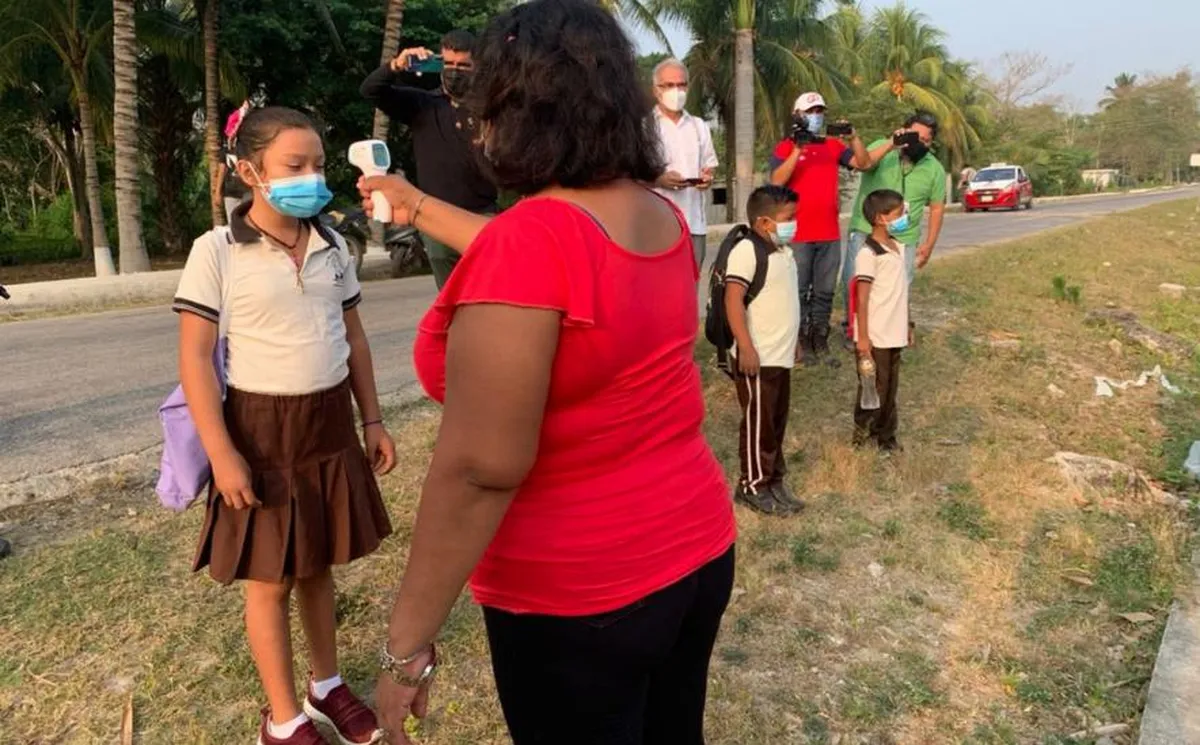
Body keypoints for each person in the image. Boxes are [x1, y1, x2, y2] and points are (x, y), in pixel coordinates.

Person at [356, 2, 737, 742]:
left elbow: (478, 469)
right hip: (693, 548)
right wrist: (421, 205)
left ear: (512, 108)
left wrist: (406, 648)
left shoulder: (532, 244)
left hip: (583, 595)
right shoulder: (652, 212)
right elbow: (544, 255)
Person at [174, 106, 397, 745]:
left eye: (319, 165)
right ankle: (283, 719)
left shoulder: (331, 245)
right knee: (270, 578)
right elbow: (194, 357)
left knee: (319, 564)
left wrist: (372, 420)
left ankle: (325, 687)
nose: (312, 177)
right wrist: (222, 453)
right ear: (249, 171)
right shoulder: (216, 250)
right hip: (258, 433)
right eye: (293, 166)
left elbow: (352, 336)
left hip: (328, 428)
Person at [360, 30, 498, 289]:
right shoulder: (422, 104)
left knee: (490, 292)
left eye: (463, 65)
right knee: (450, 300)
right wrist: (397, 65)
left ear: (476, 67)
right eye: (448, 64)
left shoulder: (487, 107)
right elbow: (371, 90)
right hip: (434, 215)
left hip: (484, 215)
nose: (455, 70)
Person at [769, 92, 886, 367]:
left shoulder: (832, 146)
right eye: (811, 111)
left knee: (824, 291)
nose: (816, 116)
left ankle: (819, 338)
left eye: (820, 111)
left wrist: (853, 137)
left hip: (828, 232)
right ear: (797, 115)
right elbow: (776, 181)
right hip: (798, 234)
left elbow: (863, 163)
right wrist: (798, 149)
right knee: (798, 291)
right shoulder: (785, 147)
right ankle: (799, 340)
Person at [723, 185, 806, 516]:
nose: (793, 224)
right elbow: (733, 300)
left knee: (775, 421)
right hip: (757, 355)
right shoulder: (747, 250)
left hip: (780, 354)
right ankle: (752, 485)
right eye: (788, 218)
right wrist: (745, 346)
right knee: (759, 423)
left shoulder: (783, 252)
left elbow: (787, 302)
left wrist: (796, 340)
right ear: (764, 222)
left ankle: (773, 480)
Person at [841, 110, 947, 342]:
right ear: (904, 130)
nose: (921, 143)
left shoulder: (934, 169)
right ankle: (855, 333)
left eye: (927, 140)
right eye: (915, 136)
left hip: (904, 239)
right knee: (856, 282)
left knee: (897, 289)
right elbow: (864, 163)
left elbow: (937, 208)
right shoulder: (883, 147)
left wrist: (929, 245)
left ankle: (890, 332)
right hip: (865, 232)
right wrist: (892, 143)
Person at [850, 189, 911, 452]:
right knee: (874, 387)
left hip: (895, 330)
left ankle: (887, 436)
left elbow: (902, 291)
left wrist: (909, 324)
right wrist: (863, 337)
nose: (903, 218)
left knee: (890, 388)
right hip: (876, 334)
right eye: (898, 214)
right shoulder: (869, 253)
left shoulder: (898, 247)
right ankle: (863, 436)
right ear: (879, 218)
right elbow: (861, 299)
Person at [650, 58, 718, 270]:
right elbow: (630, 175)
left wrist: (706, 179)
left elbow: (709, 165)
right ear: (656, 90)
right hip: (657, 226)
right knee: (658, 291)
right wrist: (658, 179)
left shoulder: (699, 126)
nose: (676, 90)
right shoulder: (644, 127)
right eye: (669, 85)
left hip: (694, 225)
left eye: (681, 85)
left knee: (691, 290)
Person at [217, 100, 252, 222]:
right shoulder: (225, 150)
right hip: (230, 192)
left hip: (248, 191)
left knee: (249, 222)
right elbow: (222, 171)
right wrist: (217, 192)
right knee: (233, 224)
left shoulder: (248, 148)